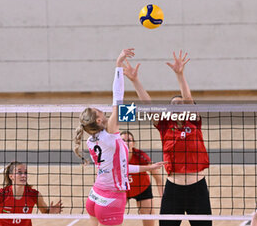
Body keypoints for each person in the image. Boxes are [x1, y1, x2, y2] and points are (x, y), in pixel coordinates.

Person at [73, 48, 166, 226]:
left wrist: (149, 167)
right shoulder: (110, 134)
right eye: (98, 110)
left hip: (95, 196)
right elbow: (118, 97)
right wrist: (118, 65)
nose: (102, 109)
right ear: (99, 119)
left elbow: (120, 167)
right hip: (111, 198)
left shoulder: (91, 140)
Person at [123, 50, 211, 226]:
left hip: (197, 188)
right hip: (173, 190)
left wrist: (180, 75)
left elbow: (188, 98)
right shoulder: (164, 126)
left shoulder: (194, 122)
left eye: (181, 104)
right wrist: (135, 81)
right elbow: (149, 104)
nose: (178, 106)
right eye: (174, 105)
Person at [0, 161, 63, 226]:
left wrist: (51, 212)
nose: (23, 175)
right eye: (19, 172)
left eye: (25, 173)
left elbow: (45, 212)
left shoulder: (34, 195)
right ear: (11, 176)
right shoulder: (1, 194)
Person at [120, 130, 163, 226]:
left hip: (142, 189)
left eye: (129, 140)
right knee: (110, 219)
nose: (126, 143)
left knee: (149, 221)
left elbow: (158, 179)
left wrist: (163, 197)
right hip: (122, 191)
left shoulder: (141, 156)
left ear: (133, 143)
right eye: (123, 140)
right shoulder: (113, 157)